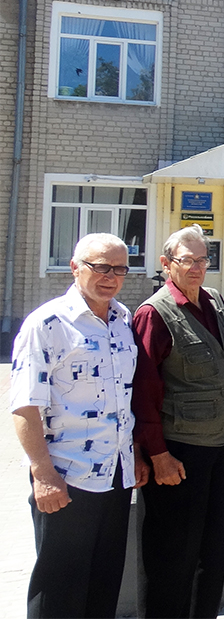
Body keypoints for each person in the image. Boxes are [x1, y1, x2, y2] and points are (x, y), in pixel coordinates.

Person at [10, 233, 148, 619]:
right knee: (59, 590)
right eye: (100, 267)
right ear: (75, 267)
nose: (111, 276)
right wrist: (43, 474)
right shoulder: (48, 324)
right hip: (68, 478)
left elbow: (125, 399)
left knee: (103, 585)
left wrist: (132, 455)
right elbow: (24, 405)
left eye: (120, 268)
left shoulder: (122, 320)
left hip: (115, 477)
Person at [133, 224, 224, 618]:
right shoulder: (154, 313)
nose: (197, 268)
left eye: (203, 260)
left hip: (221, 447)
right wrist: (157, 454)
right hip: (179, 453)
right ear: (166, 264)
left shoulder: (214, 301)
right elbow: (143, 392)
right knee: (172, 554)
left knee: (211, 552)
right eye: (187, 260)